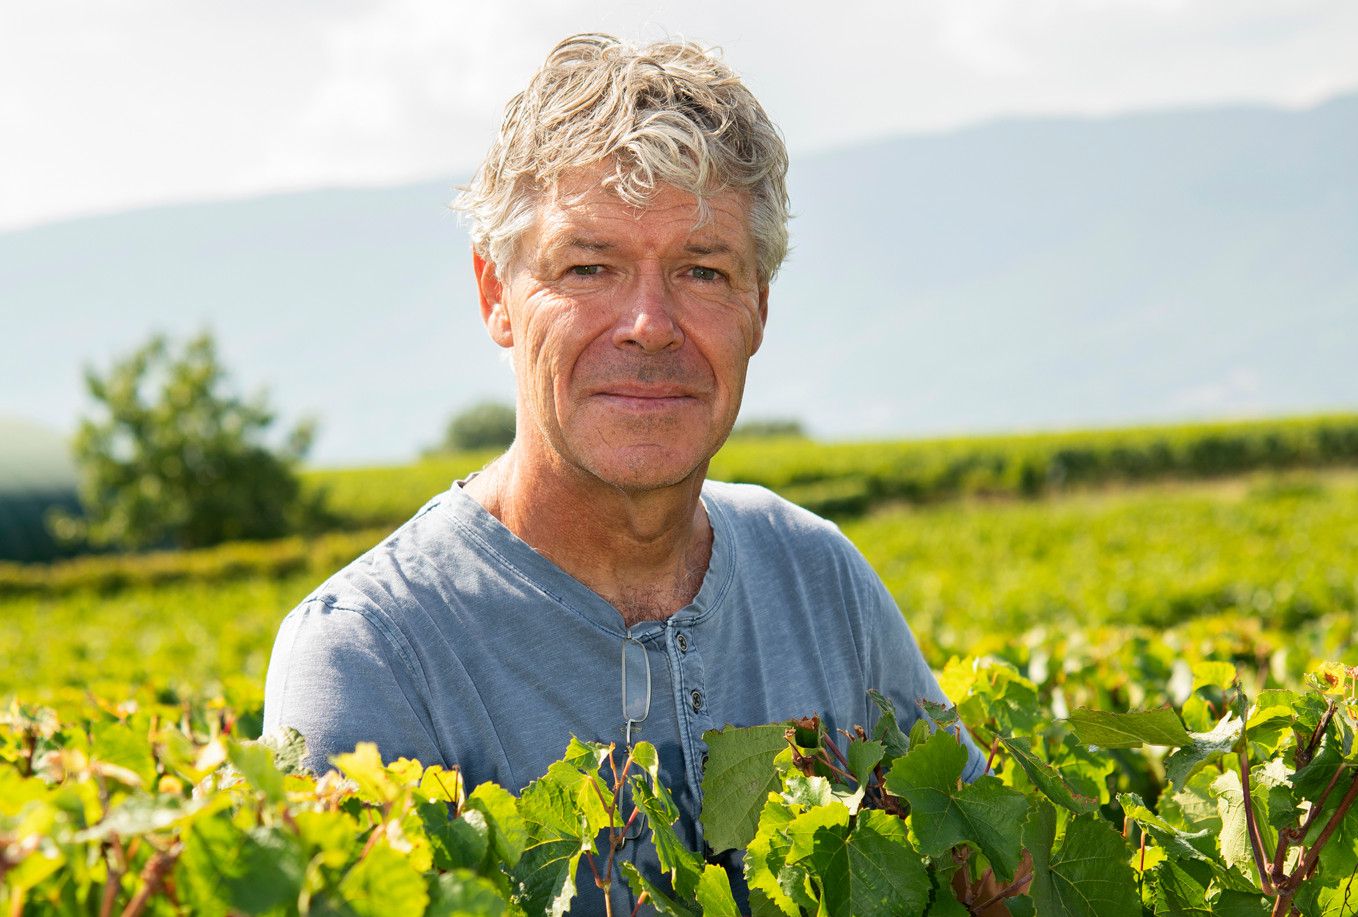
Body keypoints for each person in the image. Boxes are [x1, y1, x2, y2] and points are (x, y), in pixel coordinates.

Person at [263, 32, 986, 913]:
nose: (649, 323)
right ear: (495, 294)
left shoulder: (820, 580)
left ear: (759, 304)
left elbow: (980, 867)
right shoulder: (371, 653)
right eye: (590, 267)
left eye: (702, 269)